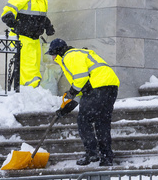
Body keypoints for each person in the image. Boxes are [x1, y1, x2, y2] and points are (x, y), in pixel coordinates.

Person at [47, 38, 120, 166]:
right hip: (110, 86)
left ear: (58, 52)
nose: (53, 58)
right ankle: (106, 157)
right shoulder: (79, 54)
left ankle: (91, 153)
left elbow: (80, 79)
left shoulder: (69, 56)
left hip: (97, 87)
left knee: (83, 120)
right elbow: (81, 90)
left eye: (53, 55)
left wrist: (71, 92)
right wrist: (66, 109)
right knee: (101, 122)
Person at [1, 0, 55, 89]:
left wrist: (48, 25)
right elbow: (8, 11)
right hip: (22, 37)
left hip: (34, 38)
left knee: (34, 65)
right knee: (28, 65)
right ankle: (32, 88)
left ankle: (25, 87)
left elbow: (40, 16)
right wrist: (14, 22)